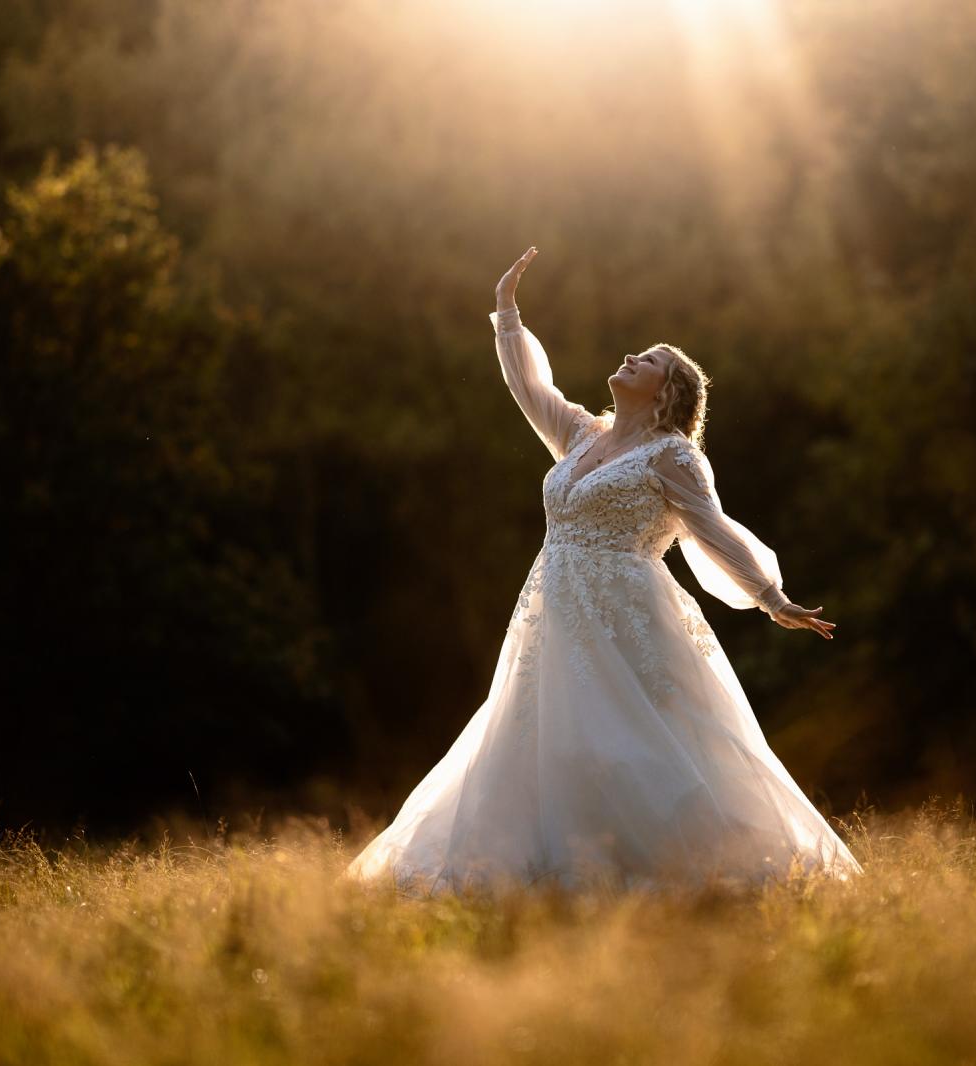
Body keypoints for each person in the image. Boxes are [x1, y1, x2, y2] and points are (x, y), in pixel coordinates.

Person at [344, 246, 862, 894]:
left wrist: (770, 595)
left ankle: (678, 871)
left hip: (626, 617)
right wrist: (506, 312)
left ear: (667, 392)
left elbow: (715, 528)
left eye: (647, 360)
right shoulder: (582, 435)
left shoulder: (673, 457)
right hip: (554, 615)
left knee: (632, 741)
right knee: (538, 740)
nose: (629, 357)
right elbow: (529, 388)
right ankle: (538, 869)